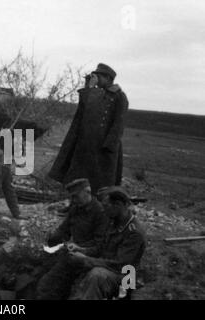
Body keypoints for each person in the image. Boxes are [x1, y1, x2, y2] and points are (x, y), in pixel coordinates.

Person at [48, 63, 129, 193]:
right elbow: (86, 107)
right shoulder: (97, 94)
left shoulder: (119, 96)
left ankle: (100, 207)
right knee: (79, 177)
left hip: (103, 148)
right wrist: (89, 87)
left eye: (99, 76)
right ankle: (77, 203)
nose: (96, 79)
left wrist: (109, 146)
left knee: (102, 182)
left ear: (108, 78)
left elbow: (118, 124)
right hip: (87, 145)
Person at [35, 178, 108, 300]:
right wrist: (50, 240)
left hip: (89, 257)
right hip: (73, 252)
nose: (73, 200)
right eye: (72, 197)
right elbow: (64, 229)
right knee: (39, 272)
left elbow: (100, 244)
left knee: (46, 285)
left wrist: (80, 249)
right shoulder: (76, 209)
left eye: (76, 196)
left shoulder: (101, 213)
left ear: (87, 192)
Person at [69, 187, 146, 300]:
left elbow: (120, 264)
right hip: (109, 270)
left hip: (125, 277)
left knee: (97, 275)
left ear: (118, 205)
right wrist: (81, 250)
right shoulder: (113, 223)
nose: (103, 210)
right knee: (78, 268)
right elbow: (101, 249)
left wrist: (86, 259)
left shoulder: (134, 232)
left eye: (106, 206)